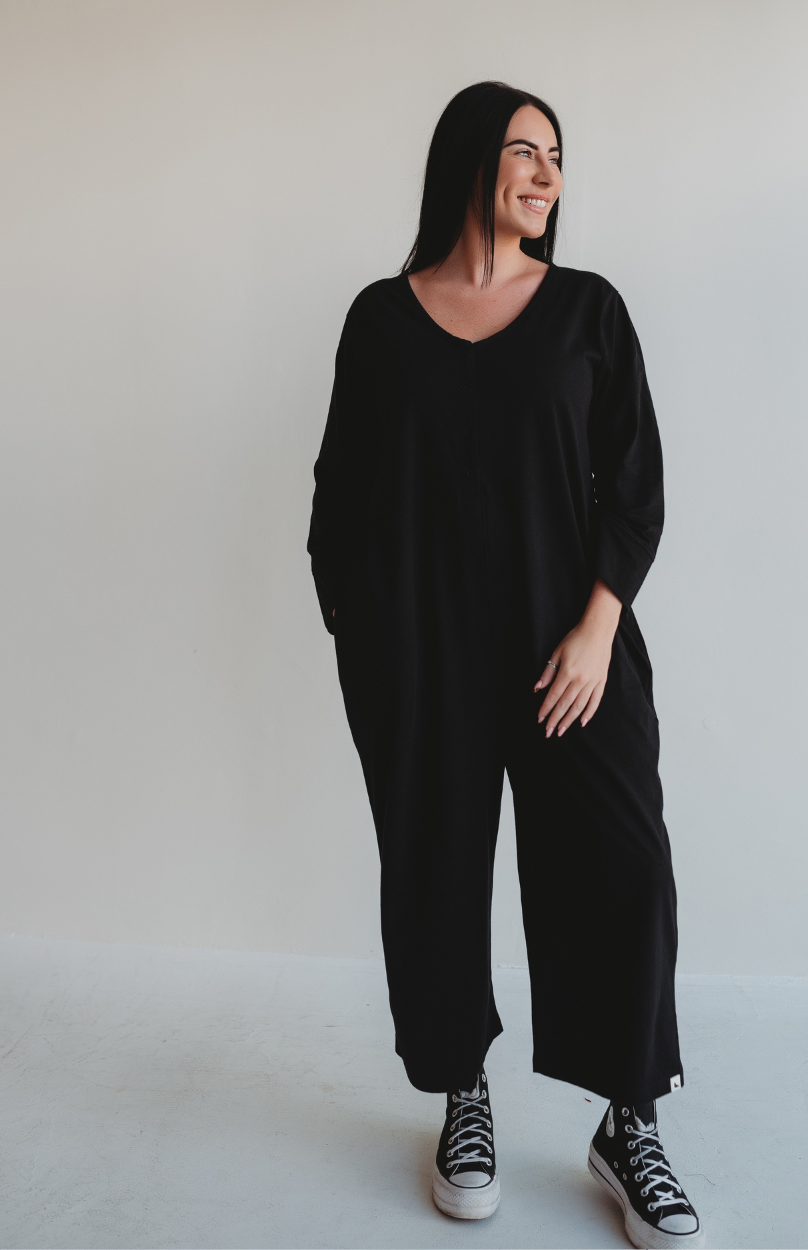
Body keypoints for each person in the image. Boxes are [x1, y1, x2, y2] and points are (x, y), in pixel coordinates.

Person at [307, 81, 705, 1250]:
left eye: (557, 157)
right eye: (522, 150)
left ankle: (626, 1118)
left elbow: (634, 484)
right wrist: (371, 641)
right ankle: (460, 1097)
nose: (545, 173)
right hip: (424, 659)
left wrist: (595, 629)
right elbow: (342, 499)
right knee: (432, 873)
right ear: (467, 160)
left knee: (623, 870)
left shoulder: (587, 310)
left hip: (569, 651)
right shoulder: (382, 321)